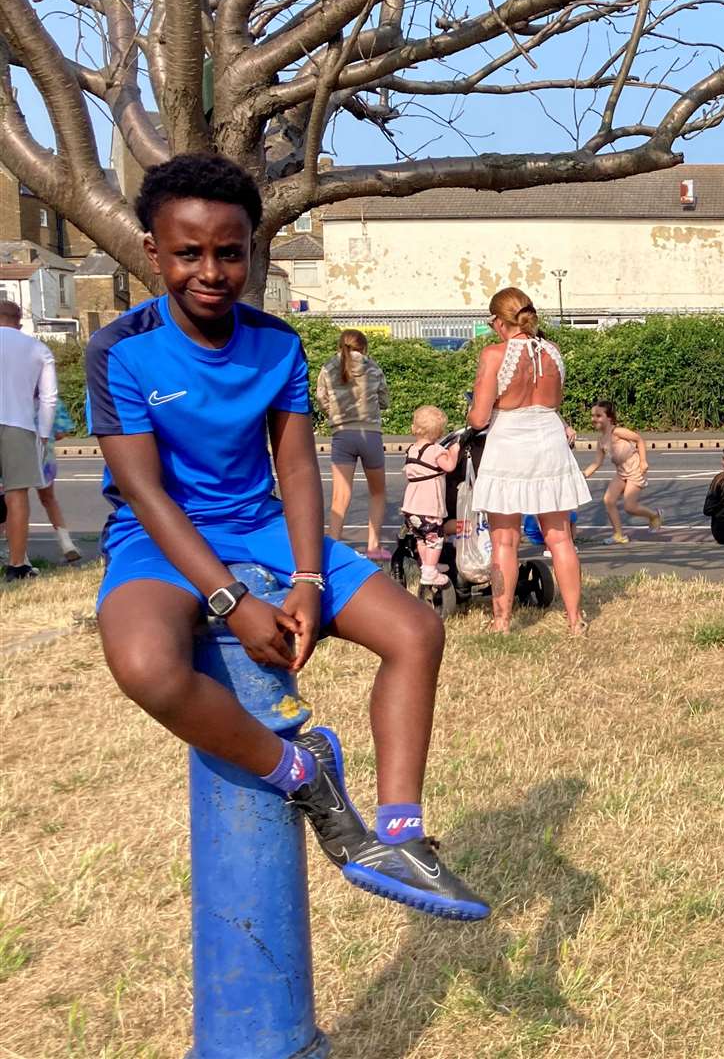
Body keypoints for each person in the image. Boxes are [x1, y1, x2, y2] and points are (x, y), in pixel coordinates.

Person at [85, 153, 487, 920]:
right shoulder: (121, 351)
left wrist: (307, 581)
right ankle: (302, 773)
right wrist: (230, 598)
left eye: (229, 253)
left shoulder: (277, 345)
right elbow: (143, 489)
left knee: (416, 631)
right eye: (188, 253)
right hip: (157, 534)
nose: (211, 271)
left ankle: (400, 833)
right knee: (145, 667)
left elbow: (297, 473)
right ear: (152, 252)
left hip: (263, 525)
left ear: (252, 252)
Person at [467, 287, 590, 634]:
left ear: (498, 321)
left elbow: (478, 418)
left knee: (505, 539)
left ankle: (502, 621)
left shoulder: (494, 355)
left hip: (509, 442)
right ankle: (575, 619)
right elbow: (554, 401)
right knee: (560, 538)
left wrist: (473, 409)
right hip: (549, 438)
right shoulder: (552, 351)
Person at [316, 328, 391, 560]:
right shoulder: (373, 367)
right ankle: (373, 546)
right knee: (377, 492)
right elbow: (385, 400)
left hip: (342, 435)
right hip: (370, 435)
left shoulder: (328, 368)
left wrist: (335, 414)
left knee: (340, 495)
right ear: (364, 347)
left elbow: (321, 398)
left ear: (340, 345)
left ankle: (333, 545)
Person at [0, 299, 55, 580]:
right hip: (18, 423)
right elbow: (48, 398)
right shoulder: (37, 349)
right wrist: (43, 435)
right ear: (19, 321)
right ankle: (17, 565)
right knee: (16, 494)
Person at [584, 400, 661, 544]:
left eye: (598, 416)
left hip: (635, 471)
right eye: (593, 416)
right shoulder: (601, 440)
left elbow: (639, 440)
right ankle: (618, 535)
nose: (594, 419)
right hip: (621, 473)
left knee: (629, 507)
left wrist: (644, 461)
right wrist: (582, 476)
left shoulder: (617, 432)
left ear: (610, 418)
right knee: (608, 500)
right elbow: (596, 463)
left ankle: (654, 516)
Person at [401, 406, 461, 586]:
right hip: (429, 507)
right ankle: (430, 571)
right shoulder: (435, 451)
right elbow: (449, 466)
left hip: (411, 508)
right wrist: (454, 451)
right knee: (435, 538)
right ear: (439, 432)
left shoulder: (411, 449)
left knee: (421, 538)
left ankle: (427, 565)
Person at [33, 401, 84, 563]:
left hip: (15, 453)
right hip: (44, 456)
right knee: (49, 499)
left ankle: (17, 554)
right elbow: (61, 432)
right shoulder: (47, 398)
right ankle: (66, 543)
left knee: (14, 501)